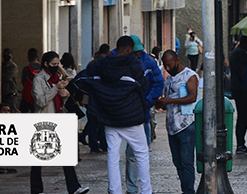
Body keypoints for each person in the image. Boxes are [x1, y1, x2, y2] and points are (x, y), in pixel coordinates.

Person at [72, 35, 151, 194]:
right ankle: (146, 191)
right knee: (141, 154)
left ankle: (115, 191)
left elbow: (79, 80)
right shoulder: (133, 65)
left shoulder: (100, 65)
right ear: (129, 49)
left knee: (113, 157)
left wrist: (91, 99)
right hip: (131, 118)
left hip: (109, 118)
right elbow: (144, 87)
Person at [31, 50, 90, 194]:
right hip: (44, 120)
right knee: (38, 157)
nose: (56, 66)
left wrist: (65, 94)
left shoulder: (56, 77)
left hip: (58, 118)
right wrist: (55, 89)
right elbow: (40, 101)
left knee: (66, 154)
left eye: (57, 64)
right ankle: (36, 189)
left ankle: (74, 187)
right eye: (53, 64)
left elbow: (59, 101)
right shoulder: (39, 79)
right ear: (46, 64)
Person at [124, 35, 163, 194]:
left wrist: (148, 101)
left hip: (142, 114)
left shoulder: (149, 62)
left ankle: (138, 189)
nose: (138, 55)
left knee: (139, 155)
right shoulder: (117, 61)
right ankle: (126, 189)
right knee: (120, 157)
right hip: (122, 114)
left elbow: (158, 83)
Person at [156, 50, 198, 194]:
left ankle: (188, 191)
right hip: (172, 126)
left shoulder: (189, 76)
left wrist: (170, 101)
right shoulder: (169, 79)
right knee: (178, 162)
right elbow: (168, 100)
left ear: (177, 61)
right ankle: (185, 189)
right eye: (165, 66)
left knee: (187, 162)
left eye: (170, 65)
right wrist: (161, 103)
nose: (167, 69)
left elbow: (193, 97)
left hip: (186, 125)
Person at [230, 36, 247, 153]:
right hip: (241, 88)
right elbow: (243, 71)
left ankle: (241, 143)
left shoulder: (237, 52)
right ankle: (240, 144)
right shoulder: (240, 54)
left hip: (238, 87)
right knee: (244, 116)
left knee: (243, 116)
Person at [20, 47, 41, 113]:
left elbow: (23, 82)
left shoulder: (26, 69)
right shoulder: (43, 69)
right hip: (40, 96)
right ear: (37, 57)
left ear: (28, 57)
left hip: (28, 97)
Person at [2, 48, 20, 113]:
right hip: (3, 94)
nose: (6, 55)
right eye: (5, 54)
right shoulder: (1, 65)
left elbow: (8, 77)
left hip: (11, 94)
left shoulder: (13, 66)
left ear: (11, 55)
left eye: (8, 53)